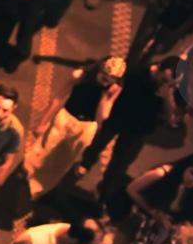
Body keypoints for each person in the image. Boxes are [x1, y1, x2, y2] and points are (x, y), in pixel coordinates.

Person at [78, 57, 183, 198]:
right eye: (164, 80)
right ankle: (85, 163)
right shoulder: (138, 73)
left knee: (120, 164)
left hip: (140, 130)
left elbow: (172, 120)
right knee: (98, 142)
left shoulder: (170, 91)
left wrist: (167, 97)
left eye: (171, 84)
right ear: (158, 69)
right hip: (119, 116)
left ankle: (103, 192)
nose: (166, 85)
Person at [26, 57, 124, 198]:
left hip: (86, 126)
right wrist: (43, 122)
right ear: (99, 68)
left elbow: (101, 119)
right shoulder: (80, 75)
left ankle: (39, 190)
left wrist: (106, 97)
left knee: (63, 160)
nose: (106, 80)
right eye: (104, 75)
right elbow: (59, 97)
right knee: (45, 150)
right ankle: (27, 177)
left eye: (111, 78)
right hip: (66, 117)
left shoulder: (113, 90)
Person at [106, 152, 193, 244]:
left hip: (160, 228)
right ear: (186, 166)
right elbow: (131, 189)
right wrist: (154, 213)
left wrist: (179, 227)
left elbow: (189, 214)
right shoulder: (161, 174)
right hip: (136, 219)